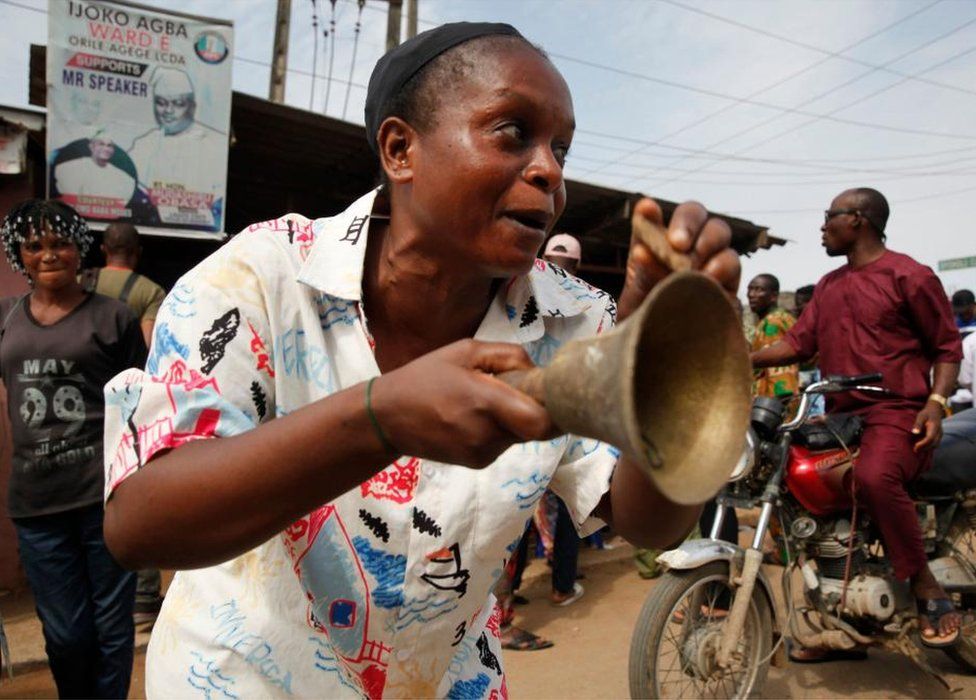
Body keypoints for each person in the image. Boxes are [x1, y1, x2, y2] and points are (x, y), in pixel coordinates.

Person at [101, 23, 740, 697]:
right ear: (401, 149)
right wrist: (380, 419)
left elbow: (648, 522)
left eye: (561, 148)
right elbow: (139, 521)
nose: (549, 169)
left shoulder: (577, 320)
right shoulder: (260, 278)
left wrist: (656, 373)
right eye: (512, 131)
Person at [752, 187, 963, 658]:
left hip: (897, 414)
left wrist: (935, 403)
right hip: (839, 420)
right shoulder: (828, 286)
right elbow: (796, 345)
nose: (822, 226)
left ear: (860, 220)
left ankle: (927, 587)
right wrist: (741, 360)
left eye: (830, 217)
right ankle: (841, 625)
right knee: (795, 482)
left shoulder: (910, 275)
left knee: (873, 476)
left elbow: (948, 347)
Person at [0, 199, 146, 698]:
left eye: (59, 242)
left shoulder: (115, 318)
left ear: (79, 246)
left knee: (111, 629)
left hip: (103, 500)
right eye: (34, 246)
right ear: (19, 255)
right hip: (36, 506)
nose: (48, 255)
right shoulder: (6, 318)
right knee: (64, 636)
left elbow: (139, 404)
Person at [82, 221, 166, 625]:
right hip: (125, 410)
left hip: (76, 409)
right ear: (136, 252)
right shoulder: (148, 292)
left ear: (103, 249)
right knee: (132, 492)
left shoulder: (80, 283)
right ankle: (144, 601)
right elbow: (150, 353)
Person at [129, 68, 226, 230]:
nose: (168, 111)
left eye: (178, 104)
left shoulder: (214, 144)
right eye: (161, 102)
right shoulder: (144, 145)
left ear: (192, 107)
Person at [85, 222, 166, 348]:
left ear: (103, 249)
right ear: (139, 251)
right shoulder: (152, 292)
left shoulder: (79, 281)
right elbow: (146, 345)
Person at [747, 273, 798, 400]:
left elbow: (779, 367)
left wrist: (772, 409)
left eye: (759, 290)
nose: (751, 295)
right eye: (750, 289)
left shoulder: (773, 322)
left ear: (773, 296)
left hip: (772, 403)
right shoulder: (779, 318)